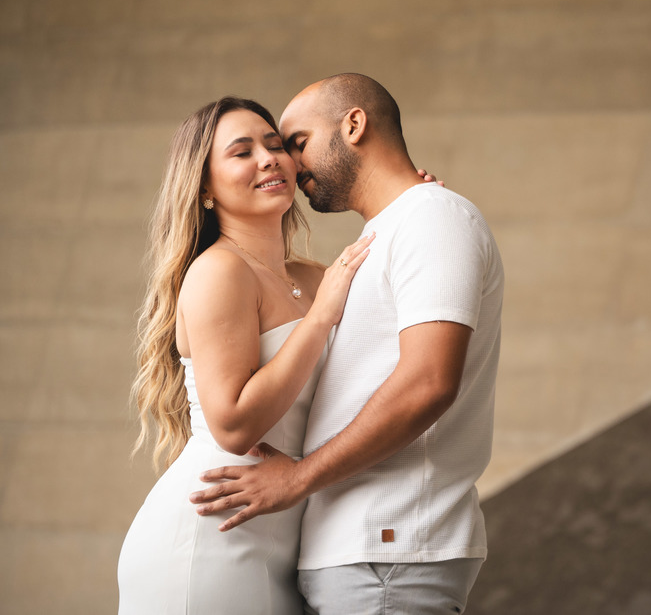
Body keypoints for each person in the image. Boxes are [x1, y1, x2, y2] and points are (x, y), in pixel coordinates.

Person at [190, 73, 504, 615]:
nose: (287, 162)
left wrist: (297, 481)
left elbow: (428, 384)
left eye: (296, 143)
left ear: (353, 125)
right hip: (356, 554)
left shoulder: (432, 218)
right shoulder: (391, 232)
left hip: (389, 548)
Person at [117, 96, 439, 613]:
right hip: (215, 531)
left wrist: (419, 208)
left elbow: (400, 273)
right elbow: (235, 426)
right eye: (241, 152)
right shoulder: (219, 272)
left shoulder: (316, 277)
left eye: (275, 145)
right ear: (203, 188)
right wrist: (317, 320)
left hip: (287, 535)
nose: (269, 159)